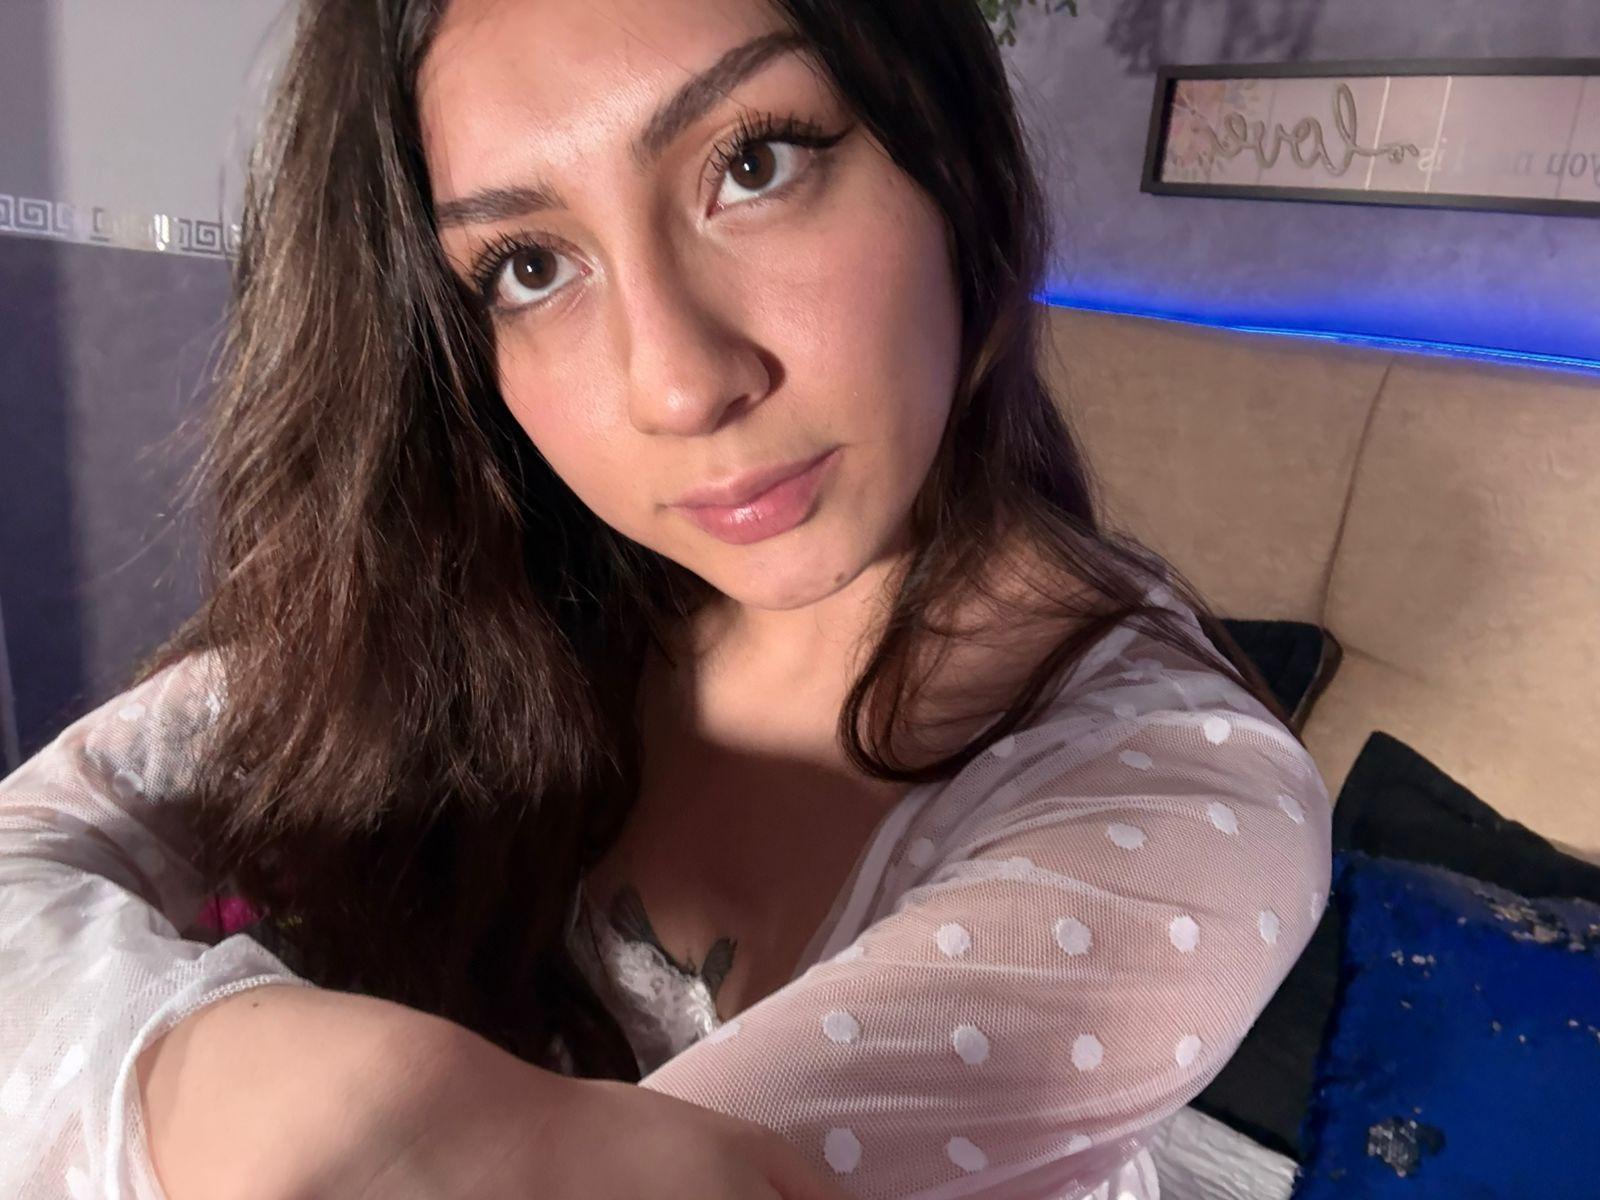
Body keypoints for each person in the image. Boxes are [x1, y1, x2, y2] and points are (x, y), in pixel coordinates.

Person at [0, 0, 1333, 1196]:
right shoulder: (494, 609)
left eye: (754, 163)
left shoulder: (1183, 808)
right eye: (529, 265)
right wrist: (241, 1082)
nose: (680, 387)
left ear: (952, 161)